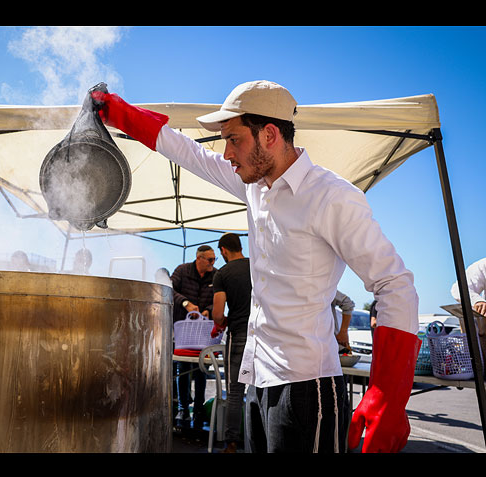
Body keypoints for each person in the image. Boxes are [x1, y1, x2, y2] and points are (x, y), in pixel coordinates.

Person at [92, 80, 421, 453]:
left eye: (234, 139)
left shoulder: (332, 196)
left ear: (268, 135)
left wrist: (386, 397)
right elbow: (188, 153)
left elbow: (395, 284)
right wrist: (117, 112)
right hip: (257, 379)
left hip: (307, 387)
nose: (227, 153)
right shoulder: (255, 185)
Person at [211, 233, 251, 453]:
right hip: (262, 335)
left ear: (224, 250)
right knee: (259, 389)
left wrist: (223, 321)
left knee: (235, 391)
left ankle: (232, 444)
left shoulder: (222, 273)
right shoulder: (257, 266)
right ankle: (258, 441)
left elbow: (217, 314)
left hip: (237, 334)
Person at [171, 245, 217, 429]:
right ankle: (183, 408)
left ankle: (198, 409)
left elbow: (221, 299)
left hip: (204, 332)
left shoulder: (216, 275)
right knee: (182, 369)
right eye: (210, 260)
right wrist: (185, 303)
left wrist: (208, 310)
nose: (213, 263)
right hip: (182, 331)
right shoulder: (181, 271)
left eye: (215, 259)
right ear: (199, 258)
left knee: (201, 369)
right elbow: (168, 289)